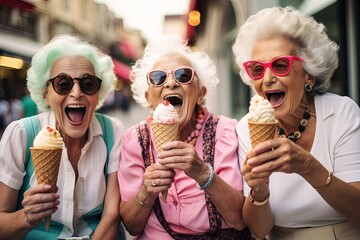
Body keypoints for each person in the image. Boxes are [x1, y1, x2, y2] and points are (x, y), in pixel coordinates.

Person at [233, 6, 360, 240]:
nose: (268, 78)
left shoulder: (341, 112)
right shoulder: (246, 128)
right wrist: (259, 191)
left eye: (280, 65)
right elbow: (259, 231)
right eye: (257, 69)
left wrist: (309, 167)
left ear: (309, 74)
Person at [118, 35, 252, 239]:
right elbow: (132, 227)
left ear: (200, 93)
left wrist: (204, 174)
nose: (171, 82)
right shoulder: (135, 140)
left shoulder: (225, 131)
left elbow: (239, 219)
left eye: (183, 75)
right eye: (159, 78)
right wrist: (146, 191)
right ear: (148, 98)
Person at [0, 34, 125, 239]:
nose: (76, 92)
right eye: (63, 84)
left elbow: (111, 216)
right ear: (45, 94)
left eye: (88, 83)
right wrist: (25, 218)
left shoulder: (113, 131)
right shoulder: (21, 134)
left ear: (98, 93)